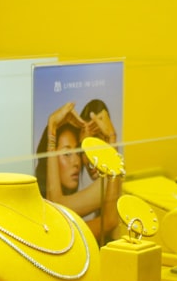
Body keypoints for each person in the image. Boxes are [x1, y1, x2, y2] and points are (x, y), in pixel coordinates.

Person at [33, 100, 121, 240]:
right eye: (83, 150)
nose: (85, 160)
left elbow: (58, 206)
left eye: (95, 145)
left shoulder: (112, 180)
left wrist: (112, 139)